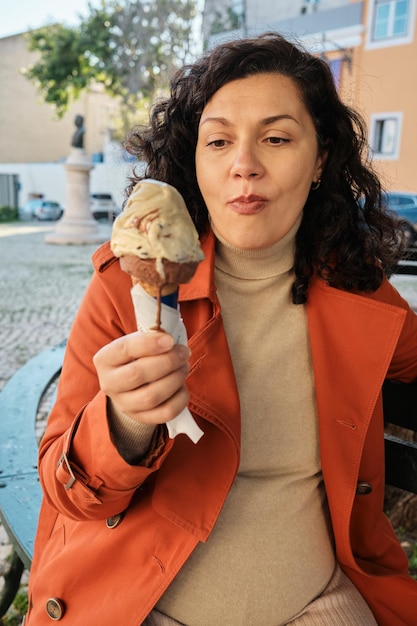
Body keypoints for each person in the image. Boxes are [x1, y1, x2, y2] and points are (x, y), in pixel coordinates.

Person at [25, 33, 417, 625]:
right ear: (196, 162)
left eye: (277, 138)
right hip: (144, 605)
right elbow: (70, 493)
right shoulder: (123, 288)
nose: (244, 165)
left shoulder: (359, 292)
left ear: (320, 159)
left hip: (319, 602)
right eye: (219, 141)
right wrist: (125, 421)